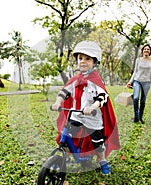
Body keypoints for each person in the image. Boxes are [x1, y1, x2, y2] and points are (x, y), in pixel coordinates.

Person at [51, 41, 120, 175]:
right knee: (66, 135)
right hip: (77, 114)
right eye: (80, 58)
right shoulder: (75, 79)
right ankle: (64, 157)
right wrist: (58, 102)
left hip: (92, 117)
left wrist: (94, 106)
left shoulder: (96, 81)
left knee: (98, 143)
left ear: (95, 62)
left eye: (87, 59)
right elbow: (64, 92)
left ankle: (102, 161)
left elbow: (103, 97)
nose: (82, 61)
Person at [127, 44, 151, 124]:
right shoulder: (138, 60)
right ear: (142, 50)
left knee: (143, 101)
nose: (146, 50)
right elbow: (135, 71)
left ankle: (140, 117)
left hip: (147, 82)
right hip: (137, 80)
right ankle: (136, 117)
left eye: (148, 49)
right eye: (145, 49)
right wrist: (130, 81)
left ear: (150, 51)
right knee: (136, 98)